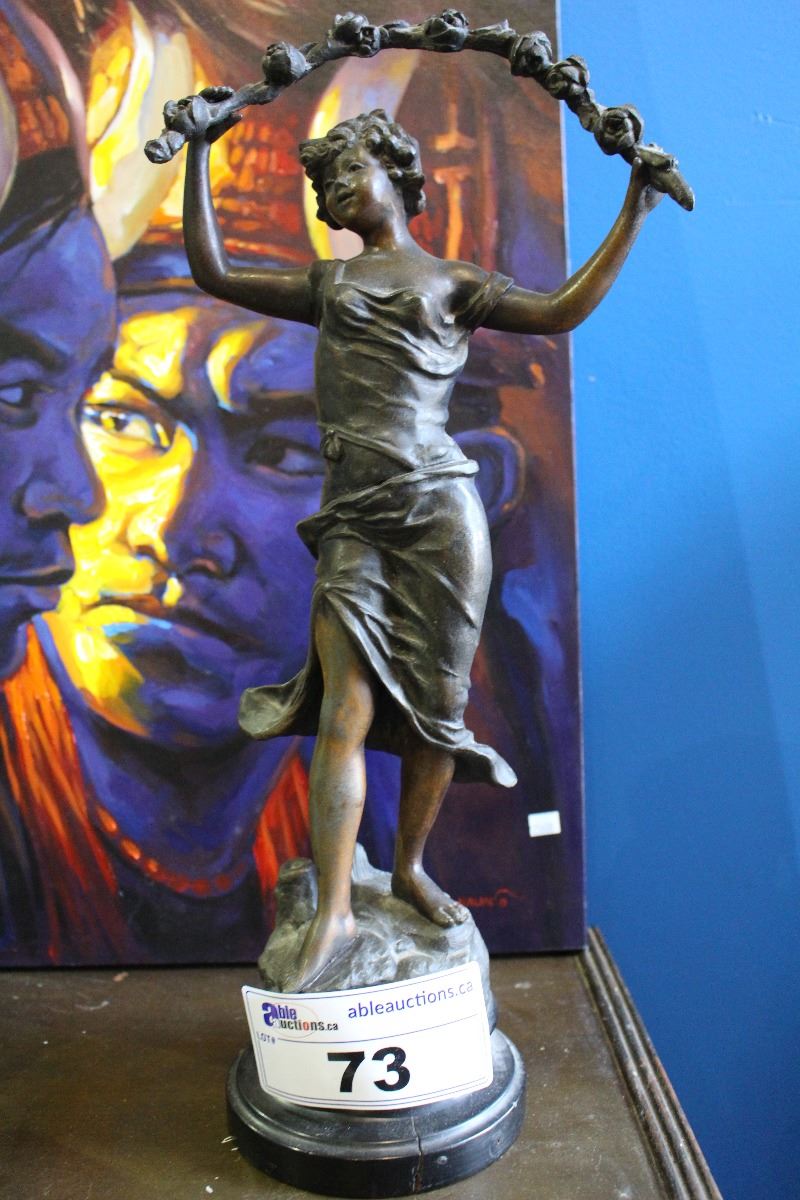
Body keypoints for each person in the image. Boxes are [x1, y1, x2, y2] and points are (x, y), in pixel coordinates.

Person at [176, 100, 664, 990]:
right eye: (324, 182)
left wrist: (636, 204)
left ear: (397, 177)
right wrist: (201, 150)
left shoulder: (454, 284)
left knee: (440, 710)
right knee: (344, 711)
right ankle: (333, 910)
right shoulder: (329, 286)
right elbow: (212, 269)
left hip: (440, 514)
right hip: (355, 518)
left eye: (347, 172)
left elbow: (561, 310)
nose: (334, 190)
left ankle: (406, 867)